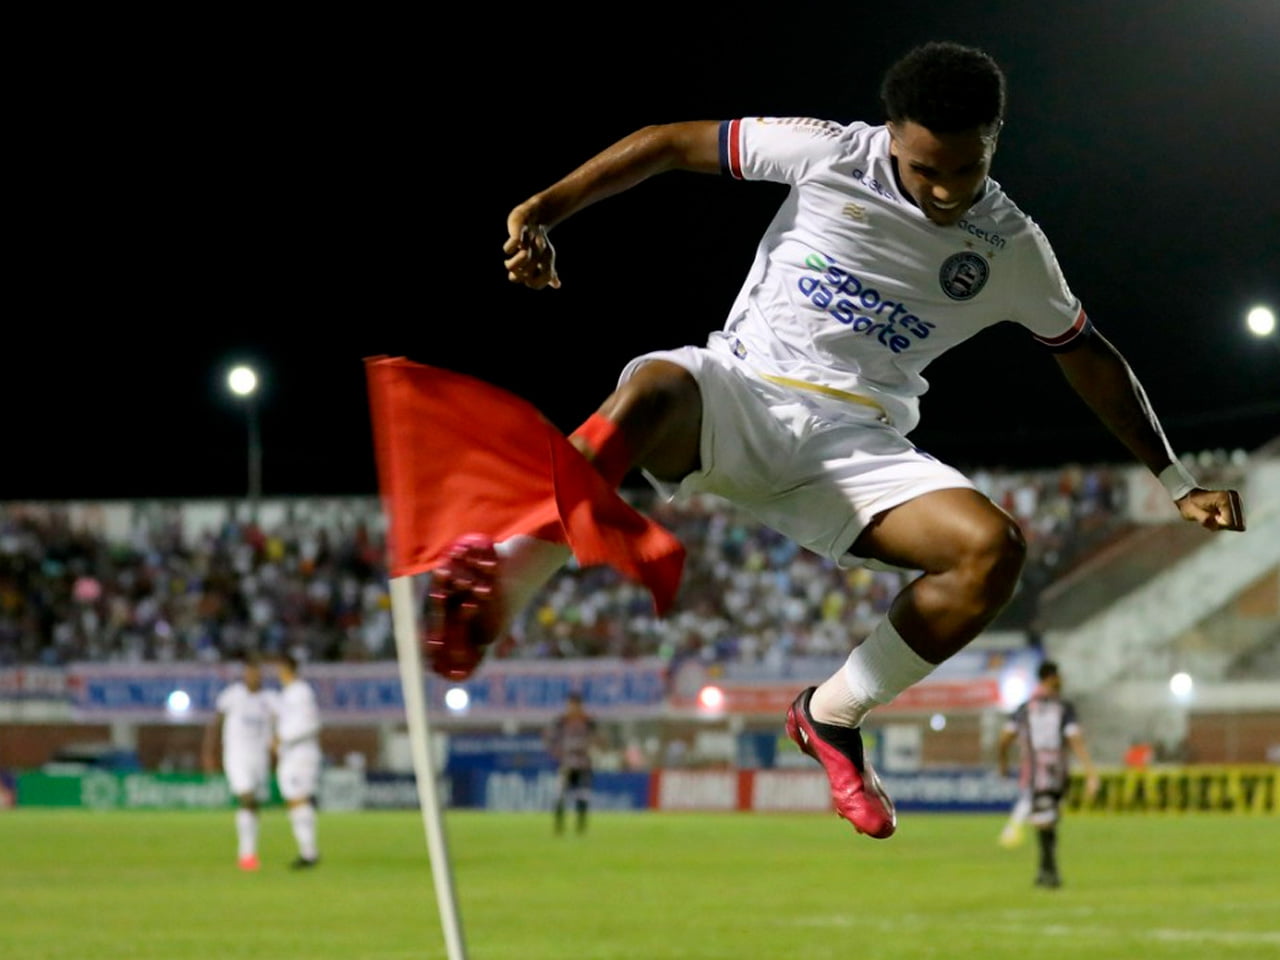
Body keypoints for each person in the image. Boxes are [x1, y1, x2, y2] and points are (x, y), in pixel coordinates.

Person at [426, 40, 1246, 841]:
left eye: (968, 168)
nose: (947, 189)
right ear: (891, 134)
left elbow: (1087, 356)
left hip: (856, 449)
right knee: (650, 390)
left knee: (992, 550)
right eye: (927, 169)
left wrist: (1177, 480)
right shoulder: (829, 153)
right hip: (738, 392)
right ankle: (503, 589)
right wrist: (542, 210)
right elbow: (670, 145)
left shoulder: (1012, 246)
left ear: (992, 145)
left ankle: (830, 714)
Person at [997, 660, 1100, 887]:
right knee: (1047, 820)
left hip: (1033, 773)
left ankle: (1046, 870)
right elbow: (1075, 740)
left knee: (1046, 819)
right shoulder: (1063, 708)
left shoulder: (1024, 709)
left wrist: (1003, 763)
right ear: (1051, 677)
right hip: (1054, 774)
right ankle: (1049, 872)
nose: (1062, 680)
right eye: (1058, 676)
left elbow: (1004, 739)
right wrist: (1090, 772)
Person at [202, 653, 273, 871]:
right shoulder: (231, 696)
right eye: (249, 673)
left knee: (255, 804)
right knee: (247, 797)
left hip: (260, 757)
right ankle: (246, 855)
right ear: (244, 675)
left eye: (257, 673)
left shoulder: (269, 699)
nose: (253, 677)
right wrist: (208, 752)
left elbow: (277, 727)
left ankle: (251, 851)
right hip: (237, 756)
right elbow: (215, 725)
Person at [271, 652, 323, 869]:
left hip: (301, 753)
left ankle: (309, 853)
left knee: (299, 798)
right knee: (294, 799)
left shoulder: (301, 691)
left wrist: (283, 738)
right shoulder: (288, 693)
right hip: (291, 754)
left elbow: (311, 723)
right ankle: (307, 851)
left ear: (286, 668)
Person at [545, 691, 599, 836]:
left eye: (576, 705)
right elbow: (550, 739)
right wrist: (556, 753)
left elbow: (597, 739)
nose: (573, 708)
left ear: (580, 706)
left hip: (583, 764)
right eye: (571, 705)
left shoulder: (588, 721)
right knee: (560, 795)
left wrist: (592, 750)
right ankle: (559, 827)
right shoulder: (561, 721)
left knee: (582, 795)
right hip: (566, 764)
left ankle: (581, 827)